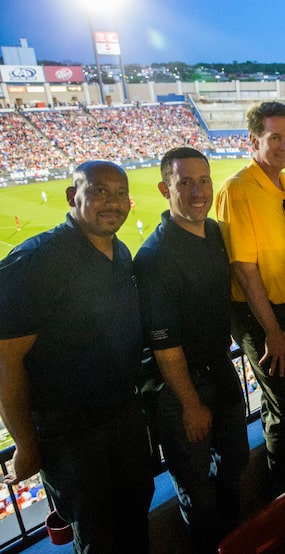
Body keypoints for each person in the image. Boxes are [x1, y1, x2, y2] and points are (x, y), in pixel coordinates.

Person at [0, 160, 154, 552]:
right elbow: (6, 359)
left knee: (136, 515)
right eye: (100, 191)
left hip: (123, 417)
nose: (113, 203)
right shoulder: (38, 260)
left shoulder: (118, 252)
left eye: (121, 194)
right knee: (98, 534)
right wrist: (26, 444)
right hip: (71, 435)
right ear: (73, 196)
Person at [134, 147, 249, 552]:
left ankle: (232, 538)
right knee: (195, 486)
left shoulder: (215, 232)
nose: (198, 191)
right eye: (185, 183)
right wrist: (189, 404)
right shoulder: (154, 257)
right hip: (182, 388)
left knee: (235, 460)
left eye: (204, 180)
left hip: (219, 369)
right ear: (166, 188)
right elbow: (166, 348)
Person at [215, 101, 285, 497]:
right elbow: (244, 270)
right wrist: (271, 330)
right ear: (253, 140)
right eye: (275, 138)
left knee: (284, 402)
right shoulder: (237, 190)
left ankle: (284, 476)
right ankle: (283, 486)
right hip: (260, 315)